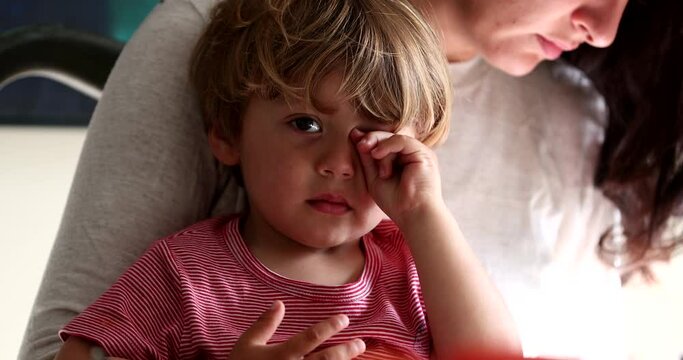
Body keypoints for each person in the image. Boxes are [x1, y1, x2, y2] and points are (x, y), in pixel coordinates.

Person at [20, 0, 632, 359]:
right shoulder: (183, 272)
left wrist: (426, 216)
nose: (341, 161)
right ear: (226, 132)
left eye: (374, 137)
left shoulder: (406, 261)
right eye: (306, 123)